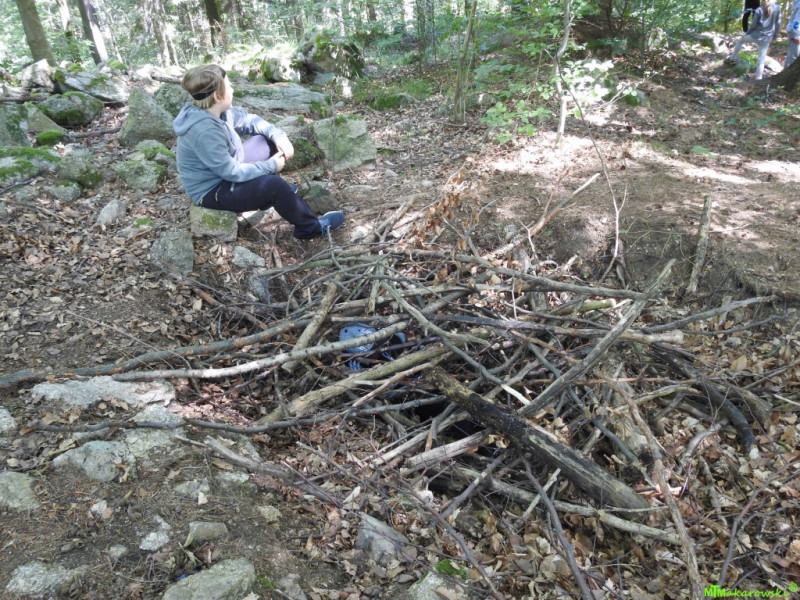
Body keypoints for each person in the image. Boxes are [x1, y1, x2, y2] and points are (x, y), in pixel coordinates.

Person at [173, 64, 344, 239]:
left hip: (225, 171)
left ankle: (276, 198)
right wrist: (271, 166)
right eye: (229, 86)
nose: (232, 89)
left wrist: (279, 137)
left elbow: (251, 121)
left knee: (268, 142)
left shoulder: (218, 111)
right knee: (275, 186)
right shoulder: (204, 131)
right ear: (217, 96)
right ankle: (310, 228)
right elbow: (231, 172)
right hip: (212, 190)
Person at [725, 0, 782, 80]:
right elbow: (778, 25)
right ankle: (758, 79)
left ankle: (732, 58)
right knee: (761, 59)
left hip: (755, 36)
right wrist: (774, 37)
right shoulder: (778, 8)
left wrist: (747, 33)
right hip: (767, 38)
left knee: (741, 41)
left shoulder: (759, 9)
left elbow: (753, 25)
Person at [787, 0, 800, 68]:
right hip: (795, 32)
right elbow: (797, 21)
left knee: (790, 54)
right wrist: (797, 35)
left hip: (793, 30)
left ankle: (785, 70)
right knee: (794, 56)